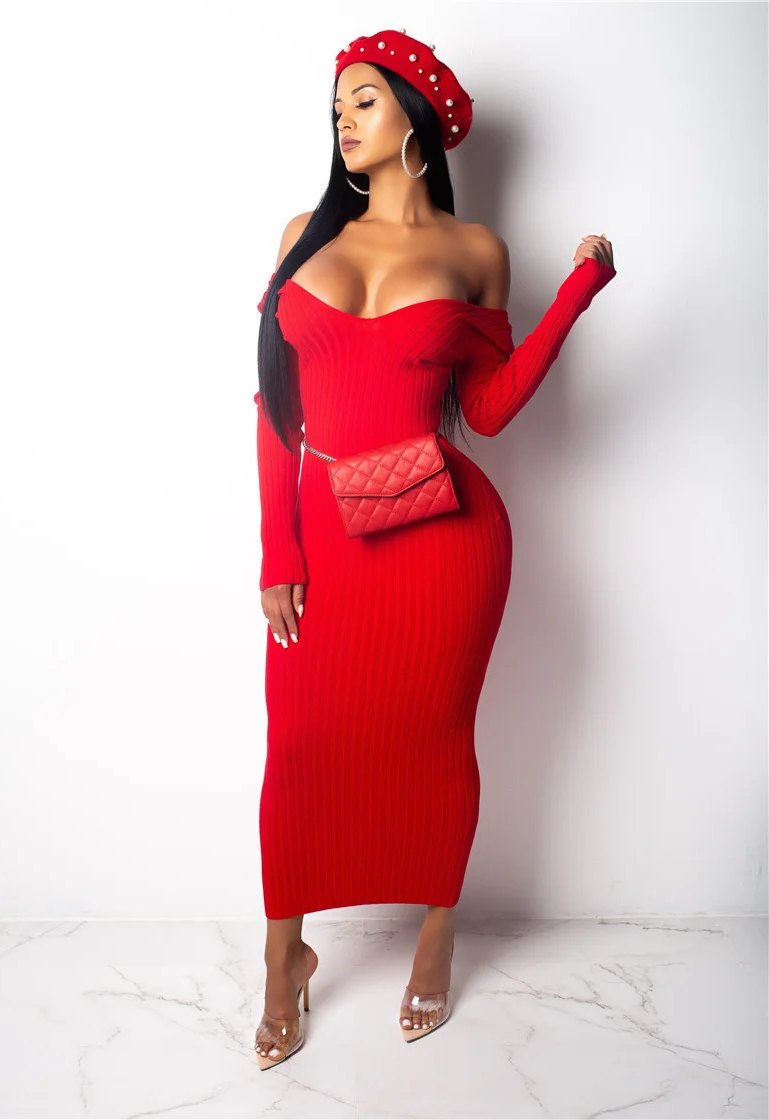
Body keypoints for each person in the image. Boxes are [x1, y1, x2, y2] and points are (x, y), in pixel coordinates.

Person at [252, 27, 616, 1069]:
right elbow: (275, 407)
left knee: (434, 738)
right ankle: (284, 956)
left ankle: (436, 932)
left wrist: (575, 295)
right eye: (336, 106)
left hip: (445, 539)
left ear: (415, 116)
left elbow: (487, 411)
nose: (343, 120)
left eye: (363, 100)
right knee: (299, 744)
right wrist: (278, 552)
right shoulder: (303, 236)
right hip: (325, 534)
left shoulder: (474, 252)